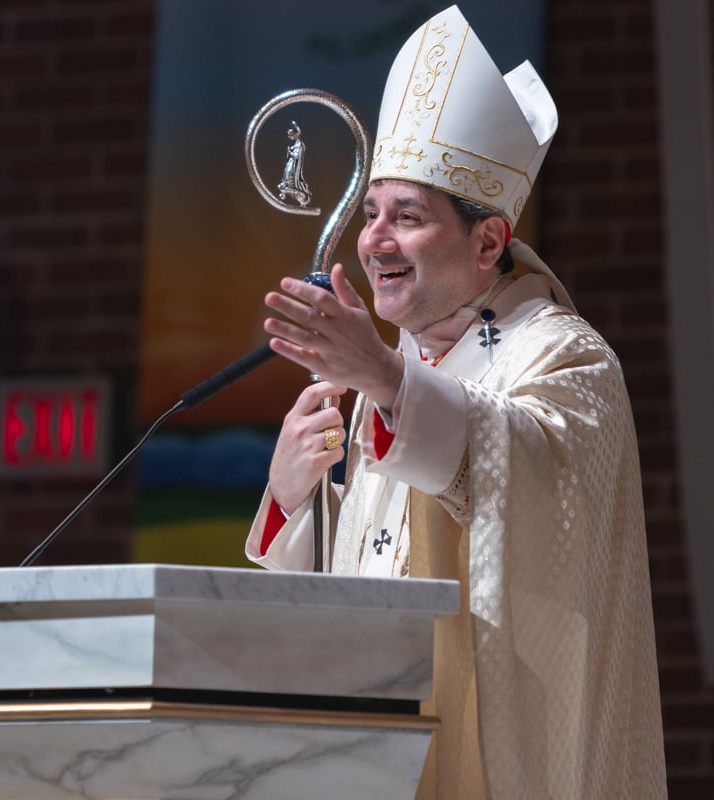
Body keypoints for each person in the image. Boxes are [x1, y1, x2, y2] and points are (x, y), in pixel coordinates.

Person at [244, 5, 667, 799]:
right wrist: (293, 497)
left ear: (487, 242)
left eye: (407, 217)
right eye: (371, 213)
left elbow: (540, 504)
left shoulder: (568, 358)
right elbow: (354, 587)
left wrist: (387, 380)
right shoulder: (392, 374)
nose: (374, 240)